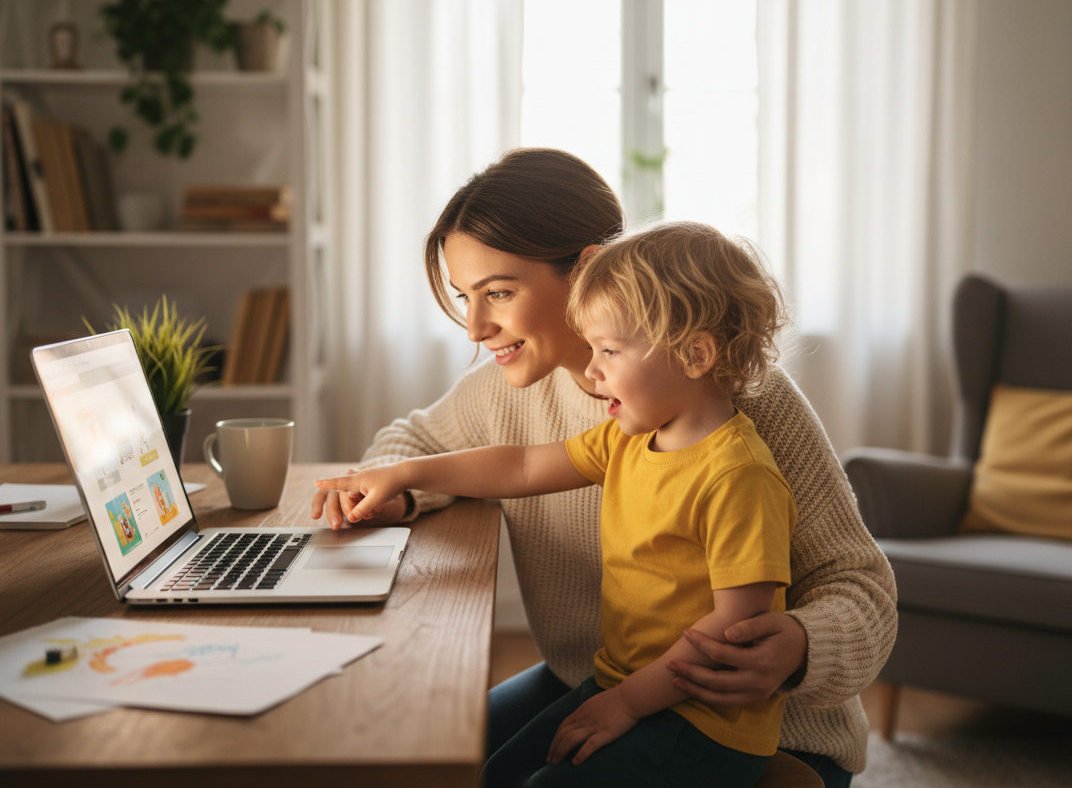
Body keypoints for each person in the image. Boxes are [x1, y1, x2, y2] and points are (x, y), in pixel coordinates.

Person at [311, 148, 896, 787]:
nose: (476, 328)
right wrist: (400, 489)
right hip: (596, 678)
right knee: (421, 758)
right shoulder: (507, 391)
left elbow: (861, 587)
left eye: (498, 293)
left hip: (758, 726)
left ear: (589, 267)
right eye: (464, 297)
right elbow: (414, 440)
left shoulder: (737, 403)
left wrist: (799, 646)